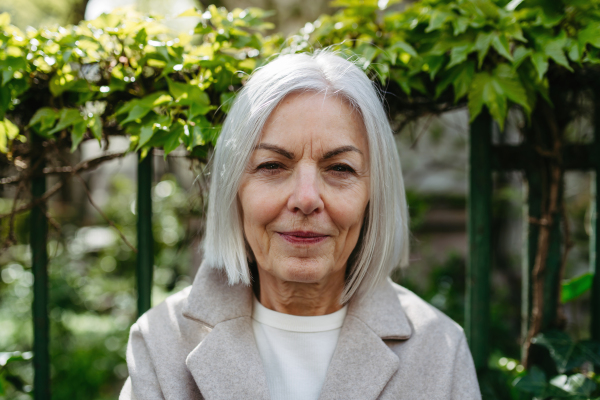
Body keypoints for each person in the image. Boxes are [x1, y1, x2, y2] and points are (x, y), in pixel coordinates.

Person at [119, 51, 481, 400]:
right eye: (272, 166)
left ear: (375, 194)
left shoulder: (439, 348)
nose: (306, 199)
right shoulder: (161, 343)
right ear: (234, 190)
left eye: (340, 168)